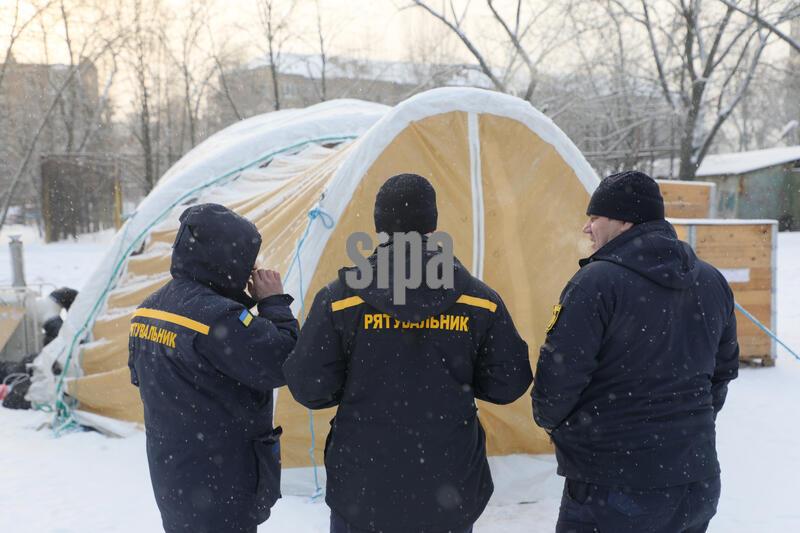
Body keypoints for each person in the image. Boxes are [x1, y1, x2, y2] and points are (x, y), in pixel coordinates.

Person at [283, 173, 532, 533]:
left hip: (364, 485)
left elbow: (309, 387)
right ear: (433, 226)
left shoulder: (340, 299)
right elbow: (508, 383)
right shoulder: (478, 300)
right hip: (448, 483)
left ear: (379, 227)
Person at [531, 171, 740, 533]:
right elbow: (721, 376)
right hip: (695, 483)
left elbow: (555, 387)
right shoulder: (710, 280)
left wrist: (571, 435)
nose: (587, 228)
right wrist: (680, 429)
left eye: (594, 217)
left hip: (614, 486)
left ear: (625, 220)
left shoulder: (596, 283)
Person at [128, 203, 298, 533]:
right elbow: (285, 361)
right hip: (222, 484)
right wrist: (273, 302)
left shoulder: (146, 310)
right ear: (227, 259)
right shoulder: (218, 319)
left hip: (175, 476)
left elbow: (145, 379)